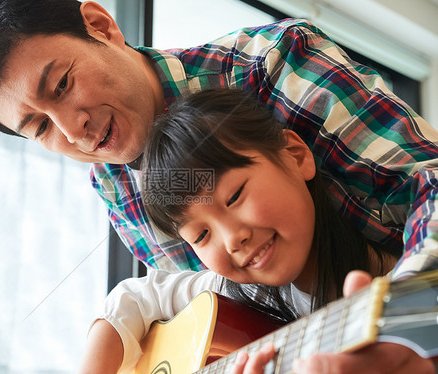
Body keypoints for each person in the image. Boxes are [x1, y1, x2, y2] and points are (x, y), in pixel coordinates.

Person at [0, 0, 438, 278]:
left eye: (63, 85)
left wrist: (404, 321)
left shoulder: (273, 65)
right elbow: (218, 310)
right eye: (41, 128)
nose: (76, 132)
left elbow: (427, 183)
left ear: (100, 26)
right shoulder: (116, 190)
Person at [78, 88, 436, 374]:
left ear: (295, 156)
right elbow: (135, 297)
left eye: (234, 196)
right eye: (201, 236)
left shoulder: (398, 262)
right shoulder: (237, 291)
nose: (232, 239)